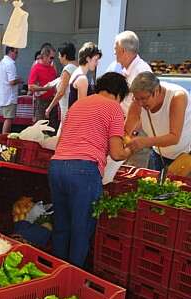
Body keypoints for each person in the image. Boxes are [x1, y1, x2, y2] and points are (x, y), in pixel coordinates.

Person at [49, 72, 132, 267]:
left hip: (57, 166)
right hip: (84, 171)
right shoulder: (114, 108)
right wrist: (132, 147)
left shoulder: (78, 104)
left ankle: (57, 273)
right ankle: (74, 279)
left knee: (61, 226)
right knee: (81, 229)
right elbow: (117, 153)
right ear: (119, 94)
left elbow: (61, 141)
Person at [125, 71, 191, 171]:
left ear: (156, 91)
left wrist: (144, 142)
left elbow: (174, 137)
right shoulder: (138, 101)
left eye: (143, 98)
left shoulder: (177, 97)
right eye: (136, 98)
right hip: (158, 154)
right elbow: (126, 131)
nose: (140, 103)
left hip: (184, 156)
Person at [114, 30, 151, 114]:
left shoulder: (142, 71)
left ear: (123, 51)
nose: (114, 53)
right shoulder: (122, 69)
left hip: (134, 124)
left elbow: (145, 107)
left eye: (115, 49)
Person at [28, 44, 59, 130]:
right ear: (44, 56)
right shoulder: (36, 67)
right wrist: (45, 88)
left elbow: (55, 80)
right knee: (40, 128)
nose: (52, 60)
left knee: (53, 127)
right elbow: (30, 87)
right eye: (51, 57)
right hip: (41, 102)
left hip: (52, 101)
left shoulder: (52, 67)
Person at [46, 42, 77, 125]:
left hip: (67, 108)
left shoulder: (68, 69)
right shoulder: (77, 67)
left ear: (65, 56)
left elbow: (61, 92)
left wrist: (49, 107)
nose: (59, 58)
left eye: (59, 55)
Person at [0, 47, 22, 134]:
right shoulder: (10, 64)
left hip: (4, 95)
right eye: (16, 52)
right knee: (9, 119)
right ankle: (4, 138)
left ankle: (4, 137)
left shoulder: (2, 62)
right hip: (9, 97)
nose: (17, 55)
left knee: (8, 118)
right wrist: (19, 80)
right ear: (10, 52)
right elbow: (11, 81)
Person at [68, 42, 102, 108]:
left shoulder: (77, 73)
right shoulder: (82, 78)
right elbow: (82, 108)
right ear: (88, 59)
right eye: (96, 60)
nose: (97, 63)